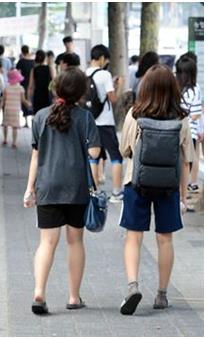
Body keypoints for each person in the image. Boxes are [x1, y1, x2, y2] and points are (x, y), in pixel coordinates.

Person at [24, 67, 101, 315]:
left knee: (47, 242)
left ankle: (39, 292)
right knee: (75, 240)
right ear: (80, 92)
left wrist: (29, 189)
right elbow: (94, 153)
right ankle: (73, 297)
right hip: (76, 187)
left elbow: (35, 157)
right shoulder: (85, 117)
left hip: (47, 186)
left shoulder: (40, 116)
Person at [118, 64, 193, 315]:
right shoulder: (181, 119)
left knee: (134, 236)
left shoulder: (134, 115)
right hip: (168, 185)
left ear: (145, 88)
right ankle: (161, 294)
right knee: (165, 238)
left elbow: (124, 150)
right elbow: (186, 159)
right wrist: (183, 195)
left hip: (135, 181)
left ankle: (132, 286)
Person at [85, 44, 125, 203]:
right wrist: (119, 87)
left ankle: (93, 192)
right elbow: (113, 99)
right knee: (116, 157)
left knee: (93, 157)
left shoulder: (84, 73)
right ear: (101, 58)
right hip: (105, 122)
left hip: (90, 121)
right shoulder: (105, 75)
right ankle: (116, 193)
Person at [176, 57, 203, 194]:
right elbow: (194, 115)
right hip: (188, 133)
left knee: (175, 165)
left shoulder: (174, 87)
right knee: (187, 164)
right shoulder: (195, 89)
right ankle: (183, 197)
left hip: (172, 131)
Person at [2, 69, 32, 148]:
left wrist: (0, 107)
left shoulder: (6, 88)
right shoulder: (21, 88)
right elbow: (23, 100)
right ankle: (14, 142)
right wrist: (28, 104)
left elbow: (3, 99)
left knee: (5, 125)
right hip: (16, 110)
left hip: (7, 109)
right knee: (14, 127)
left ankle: (5, 139)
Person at [28, 50, 55, 115]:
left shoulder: (34, 70)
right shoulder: (50, 68)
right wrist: (54, 95)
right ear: (45, 58)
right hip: (47, 95)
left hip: (37, 95)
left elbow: (31, 87)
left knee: (38, 115)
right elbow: (54, 83)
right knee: (48, 116)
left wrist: (29, 99)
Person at [16, 45, 35, 126]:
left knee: (23, 101)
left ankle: (26, 122)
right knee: (32, 100)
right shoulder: (33, 62)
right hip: (32, 84)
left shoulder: (21, 62)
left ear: (22, 51)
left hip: (23, 84)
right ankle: (32, 119)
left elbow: (18, 73)